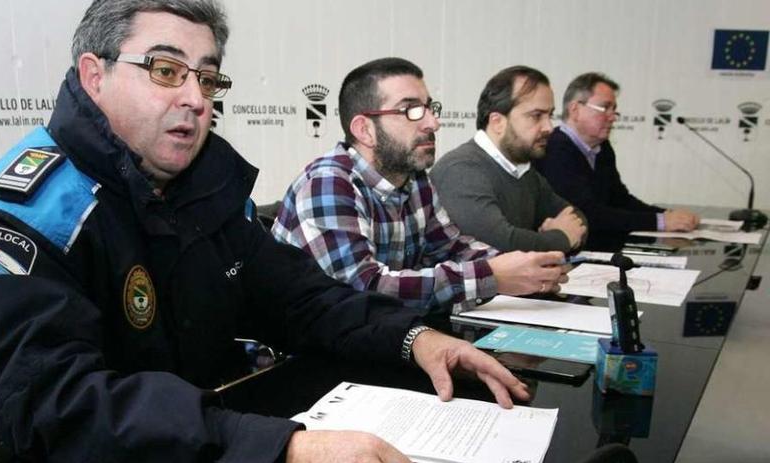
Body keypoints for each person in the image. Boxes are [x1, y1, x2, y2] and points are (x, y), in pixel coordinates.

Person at [0, 2, 530, 463]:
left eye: (208, 77)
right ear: (95, 75)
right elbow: (56, 405)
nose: (195, 97)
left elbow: (305, 299)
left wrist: (413, 337)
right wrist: (279, 454)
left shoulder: (203, 190)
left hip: (200, 454)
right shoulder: (15, 213)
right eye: (166, 70)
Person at [272, 58, 568, 312]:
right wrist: (491, 275)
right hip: (303, 358)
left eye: (429, 108)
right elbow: (363, 289)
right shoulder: (329, 183)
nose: (432, 123)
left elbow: (454, 247)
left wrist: (525, 269)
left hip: (376, 338)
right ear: (364, 130)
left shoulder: (415, 180)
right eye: (411, 110)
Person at [432, 66, 587, 253]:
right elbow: (498, 246)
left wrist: (562, 234)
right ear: (497, 122)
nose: (549, 127)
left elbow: (575, 219)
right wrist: (560, 238)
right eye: (536, 116)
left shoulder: (523, 171)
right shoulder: (460, 170)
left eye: (550, 115)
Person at [534, 72, 699, 246]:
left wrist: (668, 214)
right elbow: (585, 214)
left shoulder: (602, 147)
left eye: (614, 110)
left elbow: (620, 199)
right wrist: (660, 221)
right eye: (605, 108)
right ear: (575, 110)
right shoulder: (555, 148)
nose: (613, 117)